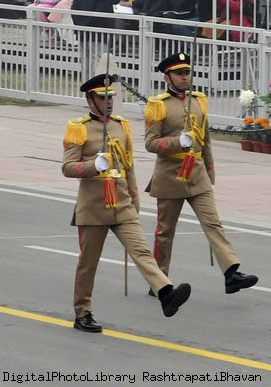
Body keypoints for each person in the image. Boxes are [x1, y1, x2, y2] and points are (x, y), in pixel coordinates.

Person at [63, 72, 192, 332]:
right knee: (88, 264)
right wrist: (92, 166)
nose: (109, 102)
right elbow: (67, 167)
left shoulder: (121, 126)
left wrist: (134, 196)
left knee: (141, 251)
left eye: (111, 97)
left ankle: (165, 294)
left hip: (121, 203)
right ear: (90, 100)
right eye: (103, 98)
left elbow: (128, 165)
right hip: (94, 206)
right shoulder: (79, 128)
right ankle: (82, 312)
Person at [143, 51, 258, 295]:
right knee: (165, 233)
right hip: (170, 175)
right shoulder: (158, 105)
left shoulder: (198, 100)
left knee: (213, 223)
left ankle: (231, 273)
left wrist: (210, 169)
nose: (185, 77)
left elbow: (205, 140)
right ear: (167, 77)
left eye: (187, 72)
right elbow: (151, 143)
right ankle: (159, 281)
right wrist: (177, 142)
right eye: (179, 73)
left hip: (197, 173)